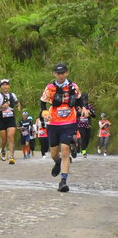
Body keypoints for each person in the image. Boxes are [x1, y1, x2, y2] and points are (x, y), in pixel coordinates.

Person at [40, 63, 82, 192]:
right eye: (58, 73)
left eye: (63, 73)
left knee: (65, 150)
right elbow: (42, 103)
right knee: (54, 154)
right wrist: (45, 114)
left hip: (69, 122)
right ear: (54, 74)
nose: (61, 75)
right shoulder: (50, 88)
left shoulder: (73, 87)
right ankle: (57, 162)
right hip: (54, 123)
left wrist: (83, 108)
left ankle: (63, 181)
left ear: (67, 73)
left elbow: (79, 100)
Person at [0, 79, 21, 164]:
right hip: (1, 118)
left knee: (11, 136)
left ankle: (11, 156)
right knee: (4, 139)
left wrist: (18, 107)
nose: (5, 86)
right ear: (1, 86)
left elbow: (17, 103)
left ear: (9, 86)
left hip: (10, 117)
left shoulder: (13, 95)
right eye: (3, 85)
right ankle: (3, 150)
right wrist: (2, 107)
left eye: (6, 84)